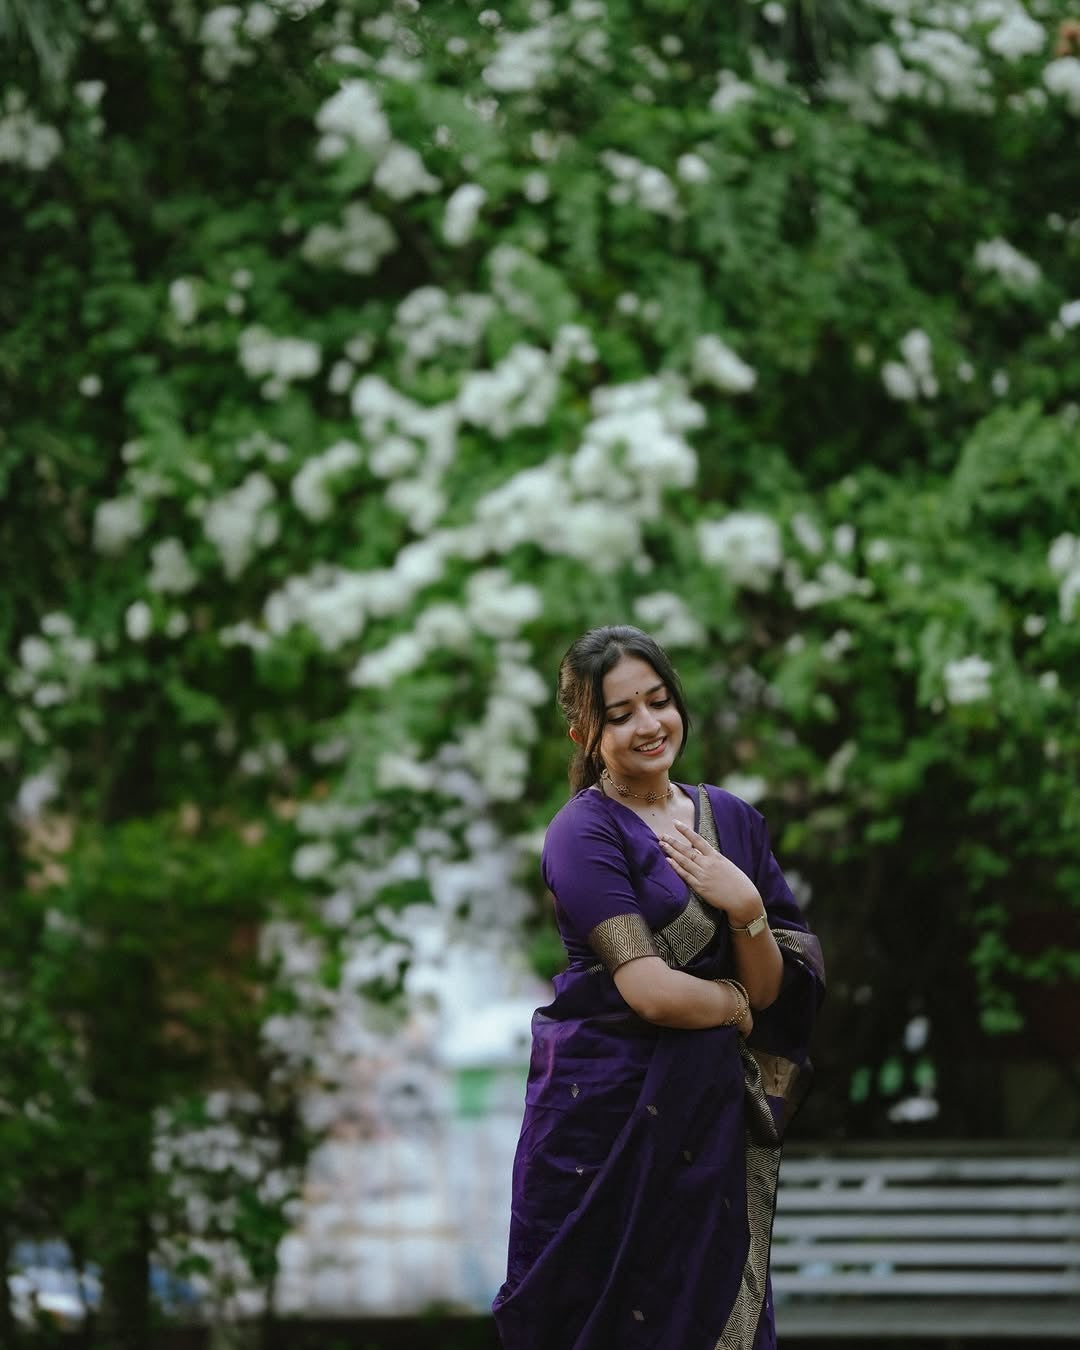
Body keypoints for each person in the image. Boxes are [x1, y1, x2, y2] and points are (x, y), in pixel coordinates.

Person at [492, 625, 825, 1350]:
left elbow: (771, 988)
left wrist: (744, 906)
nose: (649, 725)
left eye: (659, 701)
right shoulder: (583, 835)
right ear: (585, 732)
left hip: (705, 1116)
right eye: (620, 714)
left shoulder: (731, 821)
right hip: (603, 1118)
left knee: (703, 1305)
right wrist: (734, 1004)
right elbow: (648, 989)